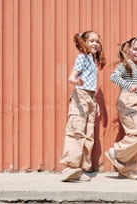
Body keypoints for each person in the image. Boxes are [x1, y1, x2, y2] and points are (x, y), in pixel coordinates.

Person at [105, 37, 137, 180]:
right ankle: (117, 152)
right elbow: (113, 77)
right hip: (128, 101)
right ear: (128, 51)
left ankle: (127, 170)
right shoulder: (125, 64)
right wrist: (128, 86)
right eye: (135, 49)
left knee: (136, 137)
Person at [60, 31, 106, 182]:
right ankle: (71, 167)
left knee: (89, 134)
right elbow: (71, 77)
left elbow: (91, 84)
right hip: (80, 95)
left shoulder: (93, 60)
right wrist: (76, 81)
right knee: (77, 130)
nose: (95, 44)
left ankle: (83, 168)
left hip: (90, 98)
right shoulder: (82, 57)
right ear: (84, 42)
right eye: (91, 41)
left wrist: (95, 102)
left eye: (97, 41)